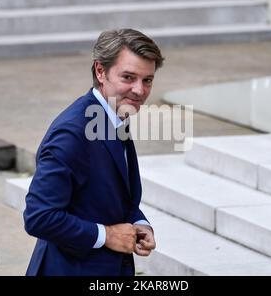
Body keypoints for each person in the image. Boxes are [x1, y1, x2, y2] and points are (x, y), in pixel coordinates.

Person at [23, 28, 165, 276]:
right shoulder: (72, 133)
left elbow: (116, 197)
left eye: (147, 80)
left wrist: (139, 224)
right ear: (101, 71)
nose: (140, 91)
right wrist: (107, 235)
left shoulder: (115, 114)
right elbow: (39, 217)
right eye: (129, 77)